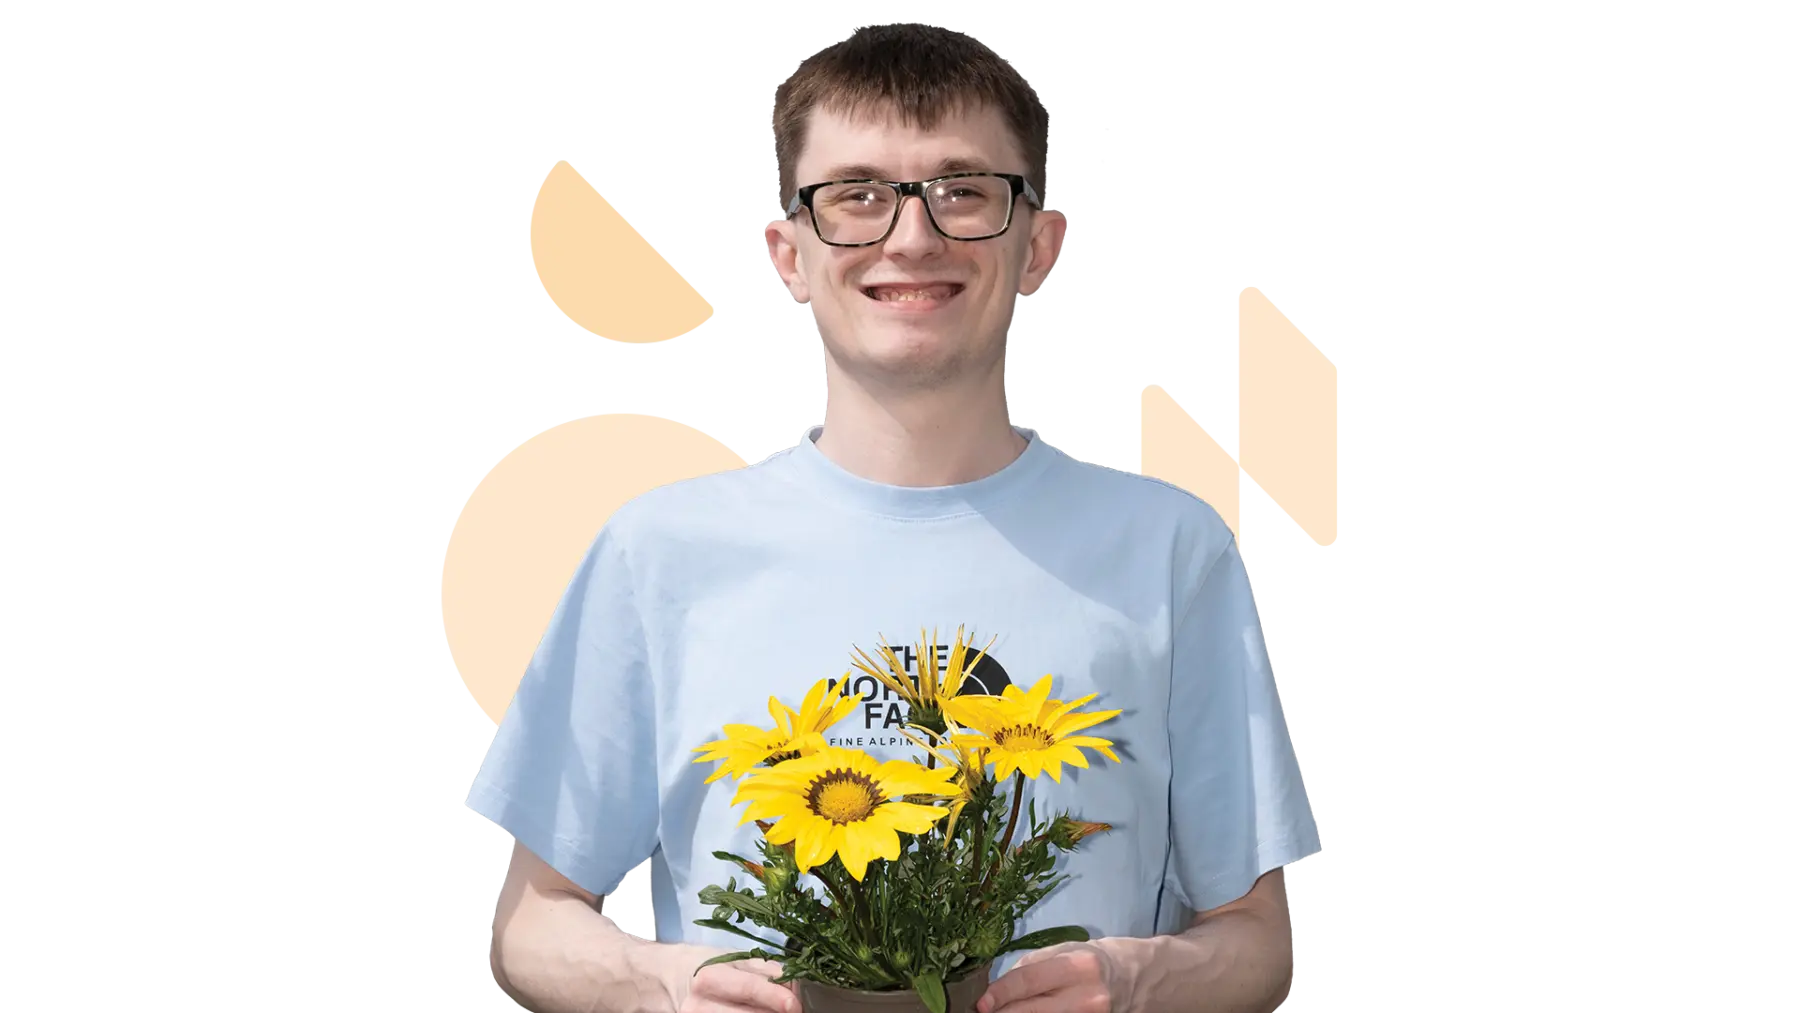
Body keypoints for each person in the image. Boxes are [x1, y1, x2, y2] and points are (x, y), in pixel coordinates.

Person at [471, 21, 1319, 1013]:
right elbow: (533, 918)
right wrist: (662, 984)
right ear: (787, 254)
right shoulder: (657, 550)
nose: (911, 237)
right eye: (858, 195)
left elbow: (1258, 941)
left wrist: (1138, 979)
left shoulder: (1172, 547)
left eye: (964, 190)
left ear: (1040, 245)